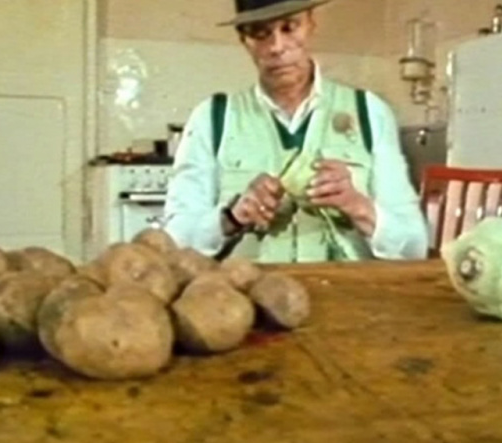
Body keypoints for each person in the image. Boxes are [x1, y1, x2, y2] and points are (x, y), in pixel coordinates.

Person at [163, 0, 429, 263]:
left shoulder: (369, 112)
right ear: (244, 40)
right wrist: (231, 218)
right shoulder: (212, 118)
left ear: (311, 24)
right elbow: (174, 241)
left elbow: (414, 245)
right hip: (243, 297)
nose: (277, 47)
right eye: (260, 33)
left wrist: (356, 205)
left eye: (289, 27)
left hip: (349, 296)